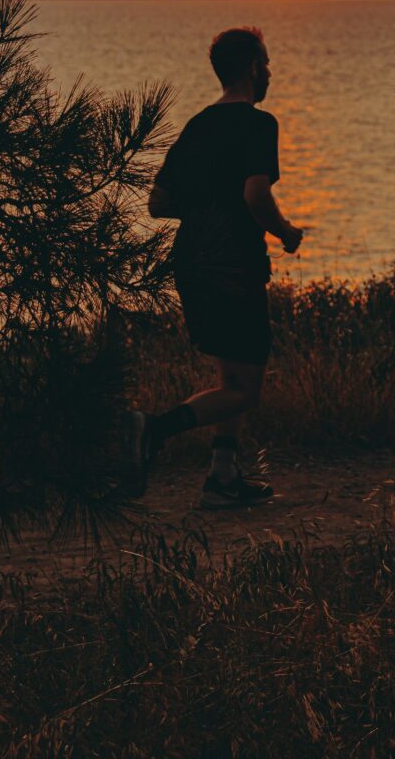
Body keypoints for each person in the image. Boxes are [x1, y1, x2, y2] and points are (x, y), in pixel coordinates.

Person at [122, 26, 304, 508]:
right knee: (245, 391)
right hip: (234, 264)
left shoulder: (198, 126)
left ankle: (222, 479)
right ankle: (154, 430)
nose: (269, 73)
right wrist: (285, 232)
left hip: (192, 260)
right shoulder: (258, 124)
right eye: (266, 63)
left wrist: (207, 208)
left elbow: (158, 203)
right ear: (252, 68)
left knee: (231, 377)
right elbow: (256, 196)